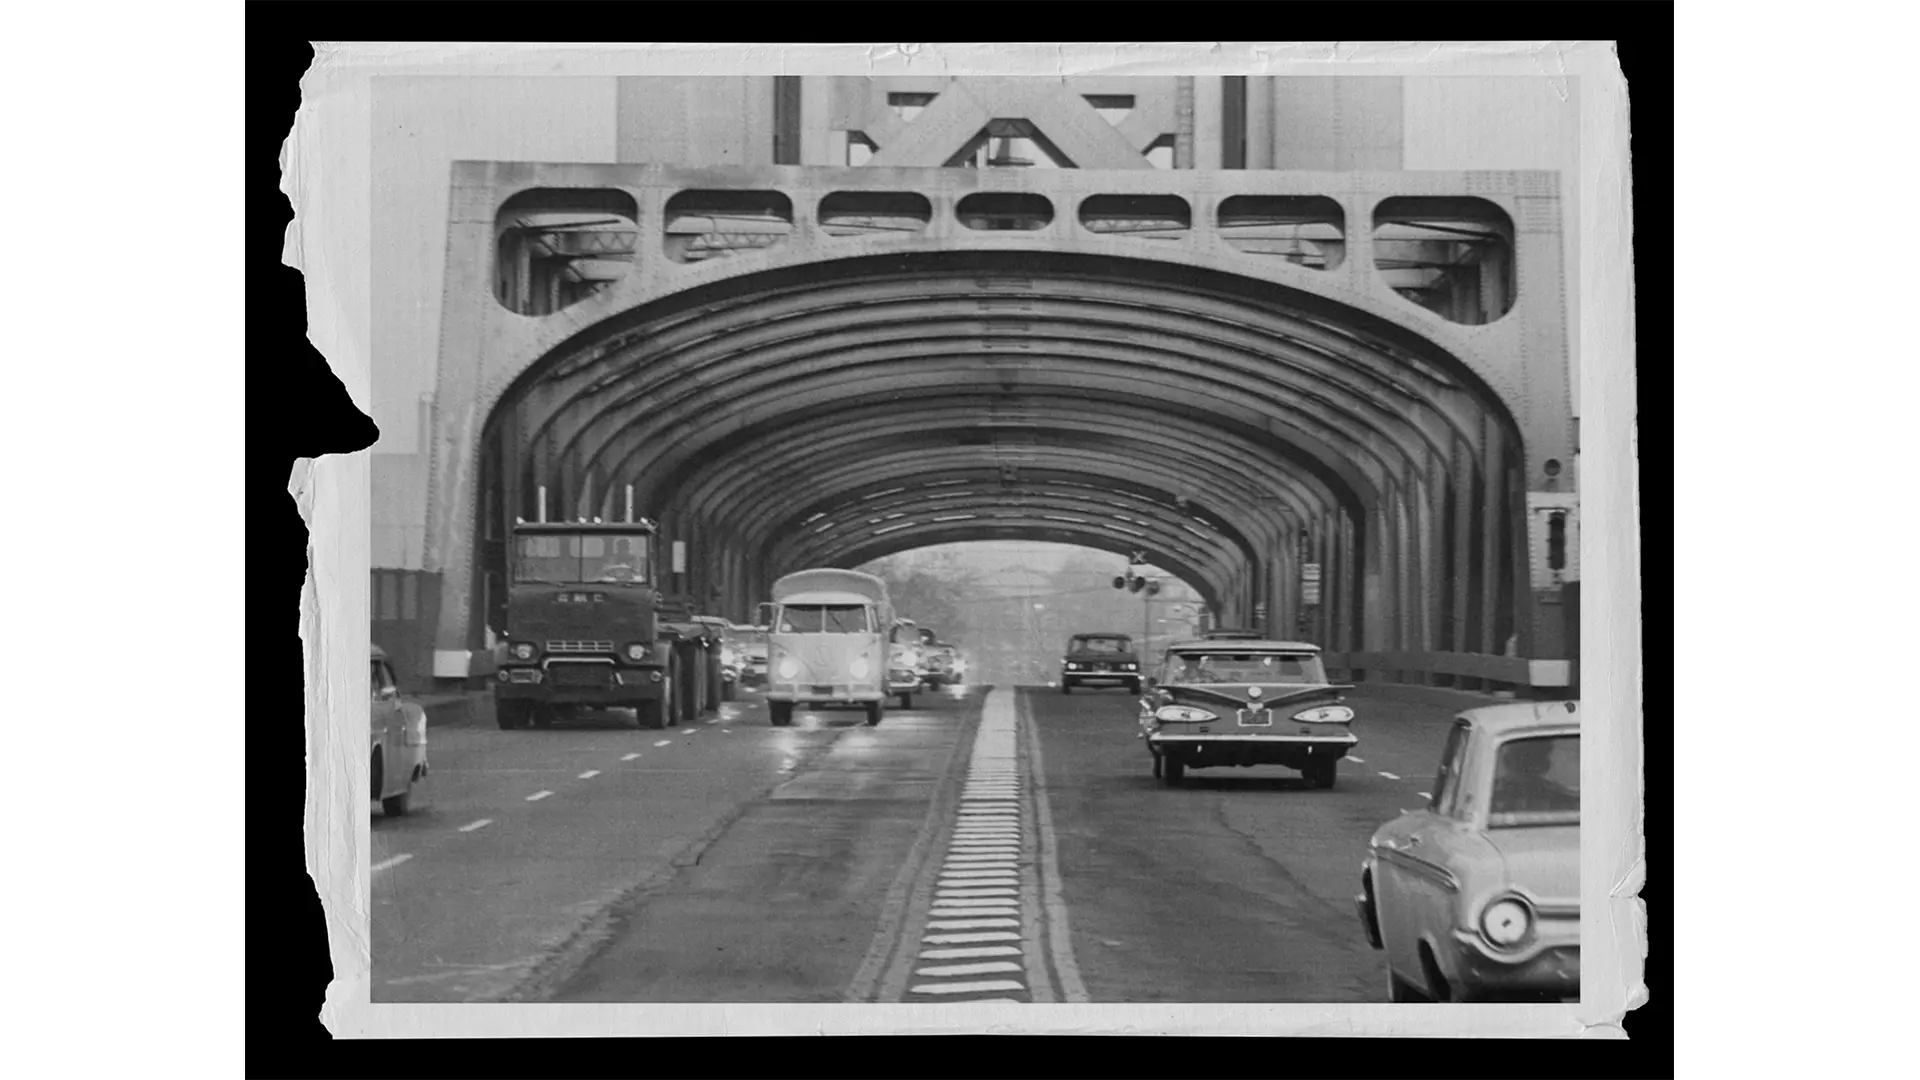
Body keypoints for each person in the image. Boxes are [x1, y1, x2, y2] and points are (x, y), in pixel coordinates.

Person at [1491, 739, 1576, 814]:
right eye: (1519, 758)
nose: (1525, 766)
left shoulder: (1559, 798)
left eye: (1532, 758)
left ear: (1543, 764)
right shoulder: (1488, 794)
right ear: (1507, 760)